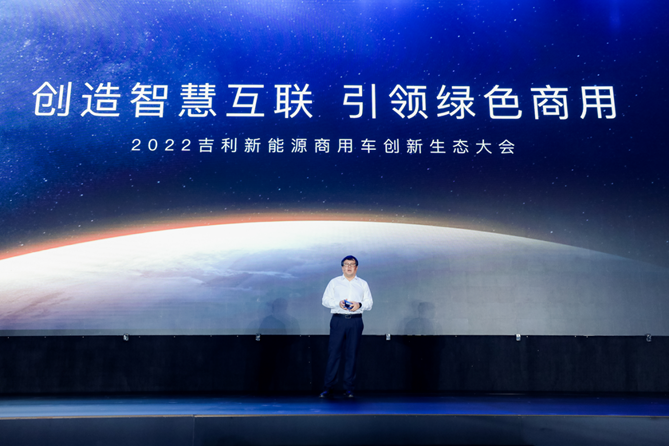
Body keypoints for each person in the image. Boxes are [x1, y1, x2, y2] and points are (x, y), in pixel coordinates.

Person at [319, 255, 373, 398]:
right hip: (338, 319)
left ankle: (349, 388)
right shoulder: (334, 282)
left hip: (355, 320)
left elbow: (369, 303)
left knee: (351, 354)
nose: (349, 267)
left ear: (356, 267)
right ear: (342, 267)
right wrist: (338, 303)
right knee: (333, 354)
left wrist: (359, 305)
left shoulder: (362, 284)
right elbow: (325, 300)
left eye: (352, 264)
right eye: (346, 264)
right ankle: (328, 387)